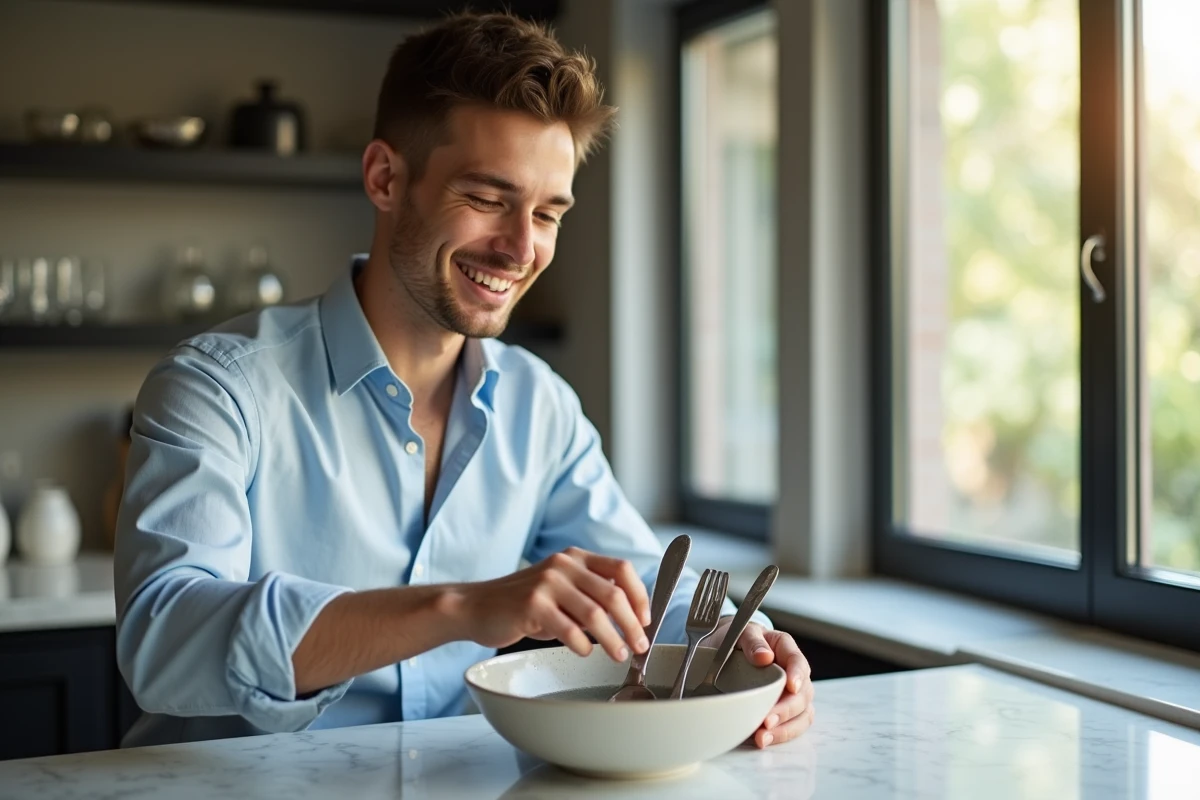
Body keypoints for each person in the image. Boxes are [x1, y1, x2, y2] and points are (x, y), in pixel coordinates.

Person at [114, 11, 814, 749]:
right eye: (487, 199)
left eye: (548, 212)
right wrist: (459, 607)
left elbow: (642, 588)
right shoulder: (217, 388)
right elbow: (165, 642)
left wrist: (747, 644)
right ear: (386, 178)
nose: (521, 248)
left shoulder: (539, 407)